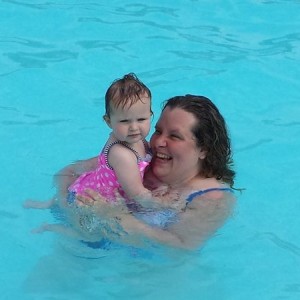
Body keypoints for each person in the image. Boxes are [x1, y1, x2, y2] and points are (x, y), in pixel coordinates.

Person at [45, 94, 237, 250]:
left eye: (174, 136)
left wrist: (117, 216)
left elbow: (180, 250)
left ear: (203, 149)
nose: (159, 142)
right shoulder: (137, 160)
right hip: (78, 251)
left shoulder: (211, 199)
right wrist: (69, 209)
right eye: (158, 131)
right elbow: (66, 174)